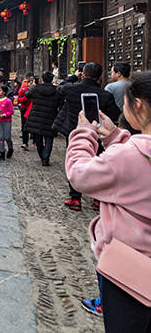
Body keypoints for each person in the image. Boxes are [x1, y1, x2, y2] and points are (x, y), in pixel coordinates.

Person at [66, 72, 151, 332]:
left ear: (137, 105)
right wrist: (115, 137)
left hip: (131, 273)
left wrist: (84, 133)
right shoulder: (130, 154)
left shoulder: (127, 157)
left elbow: (79, 173)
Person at [53, 62, 121, 211]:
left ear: (82, 74)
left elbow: (59, 87)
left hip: (75, 132)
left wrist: (73, 77)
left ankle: (75, 198)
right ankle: (98, 199)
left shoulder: (70, 89)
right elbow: (115, 114)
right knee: (99, 164)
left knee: (75, 160)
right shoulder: (105, 95)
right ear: (100, 76)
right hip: (99, 134)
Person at [25, 71, 61, 166]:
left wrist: (33, 86)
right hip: (50, 116)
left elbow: (27, 95)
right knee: (49, 138)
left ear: (42, 79)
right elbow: (60, 103)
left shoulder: (36, 88)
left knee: (38, 138)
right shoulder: (56, 90)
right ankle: (45, 158)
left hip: (36, 117)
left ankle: (42, 156)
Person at [0, 84, 15, 160]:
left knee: (7, 137)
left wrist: (4, 115)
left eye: (0, 90)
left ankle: (10, 148)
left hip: (6, 121)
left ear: (4, 92)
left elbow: (11, 111)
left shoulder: (8, 101)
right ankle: (2, 152)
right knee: (0, 137)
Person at [18, 72, 35, 150]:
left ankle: (35, 142)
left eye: (32, 83)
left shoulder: (36, 91)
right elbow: (19, 99)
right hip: (25, 110)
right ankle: (25, 143)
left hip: (34, 111)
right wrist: (26, 98)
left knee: (34, 127)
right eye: (30, 83)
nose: (31, 84)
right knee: (25, 126)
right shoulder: (23, 90)